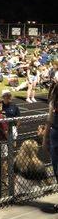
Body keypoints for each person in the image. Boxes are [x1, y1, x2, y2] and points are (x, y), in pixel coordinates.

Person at [42, 84, 58, 212]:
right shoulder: (54, 102)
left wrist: (44, 139)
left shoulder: (53, 101)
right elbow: (49, 119)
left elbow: (49, 120)